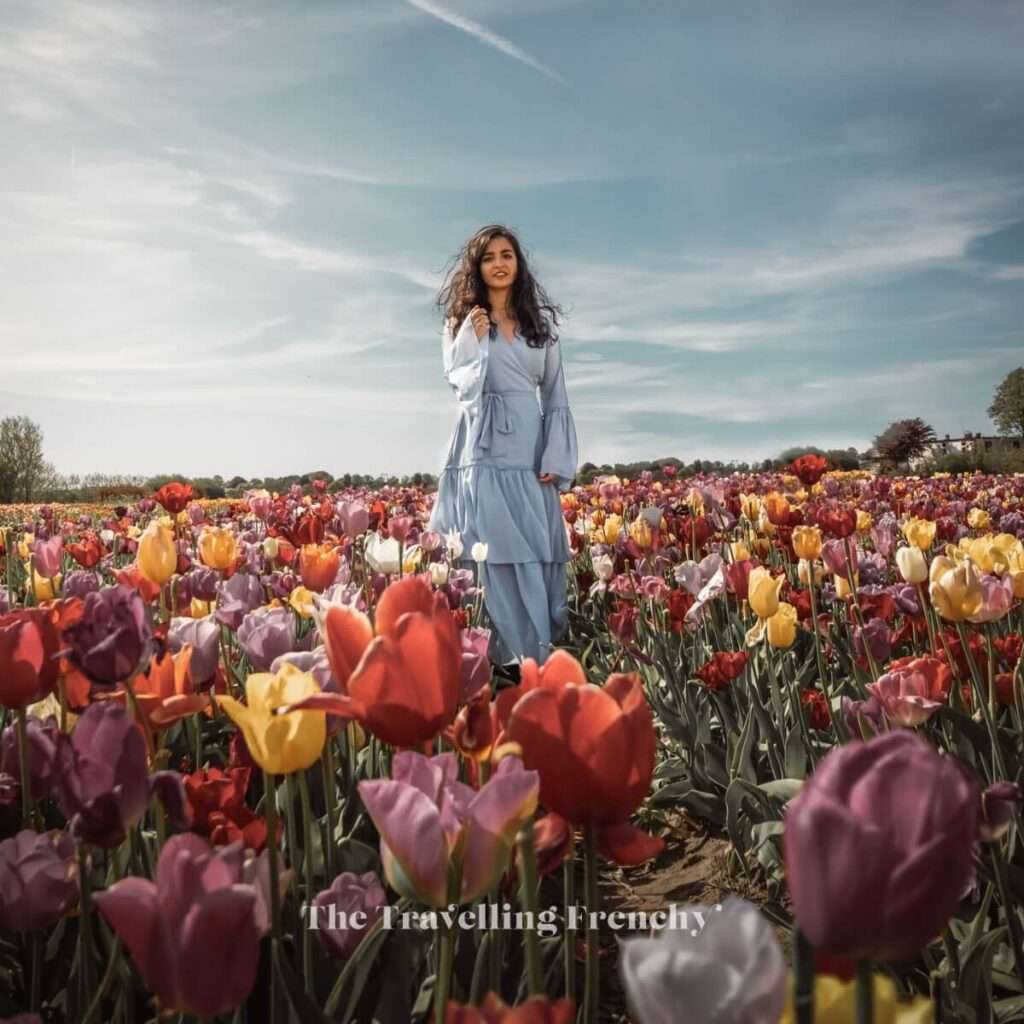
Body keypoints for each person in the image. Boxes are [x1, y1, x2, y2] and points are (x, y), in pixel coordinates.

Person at [427, 224, 578, 672]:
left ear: (518, 263)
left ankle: (534, 657)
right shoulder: (459, 323)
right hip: (481, 446)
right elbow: (459, 382)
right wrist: (471, 339)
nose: (498, 263)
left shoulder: (540, 326)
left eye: (506, 254)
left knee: (532, 544)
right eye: (489, 256)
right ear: (477, 267)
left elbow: (555, 392)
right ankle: (492, 662)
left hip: (530, 449)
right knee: (489, 548)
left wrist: (555, 454)